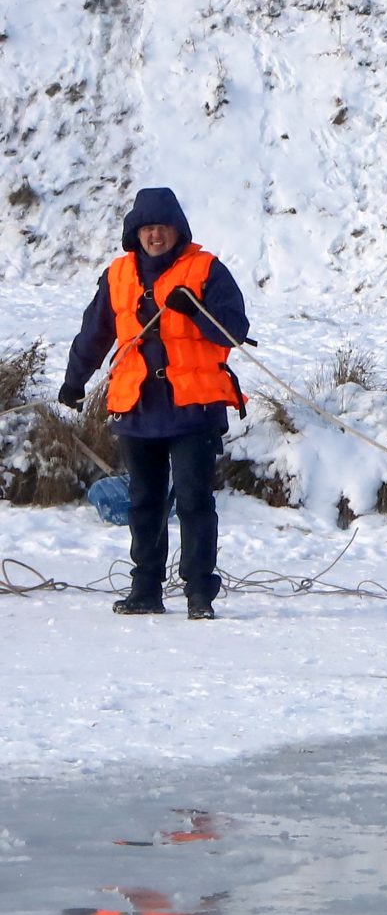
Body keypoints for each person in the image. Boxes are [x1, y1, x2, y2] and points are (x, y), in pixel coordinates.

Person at [58, 188, 250, 620]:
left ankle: (199, 594)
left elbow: (234, 331)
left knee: (195, 501)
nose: (155, 235)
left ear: (177, 230)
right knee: (143, 502)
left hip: (193, 411)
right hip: (138, 409)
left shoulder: (207, 270)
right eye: (147, 228)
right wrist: (74, 382)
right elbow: (94, 334)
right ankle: (145, 590)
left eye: (163, 227)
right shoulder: (118, 275)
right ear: (135, 233)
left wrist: (195, 311)